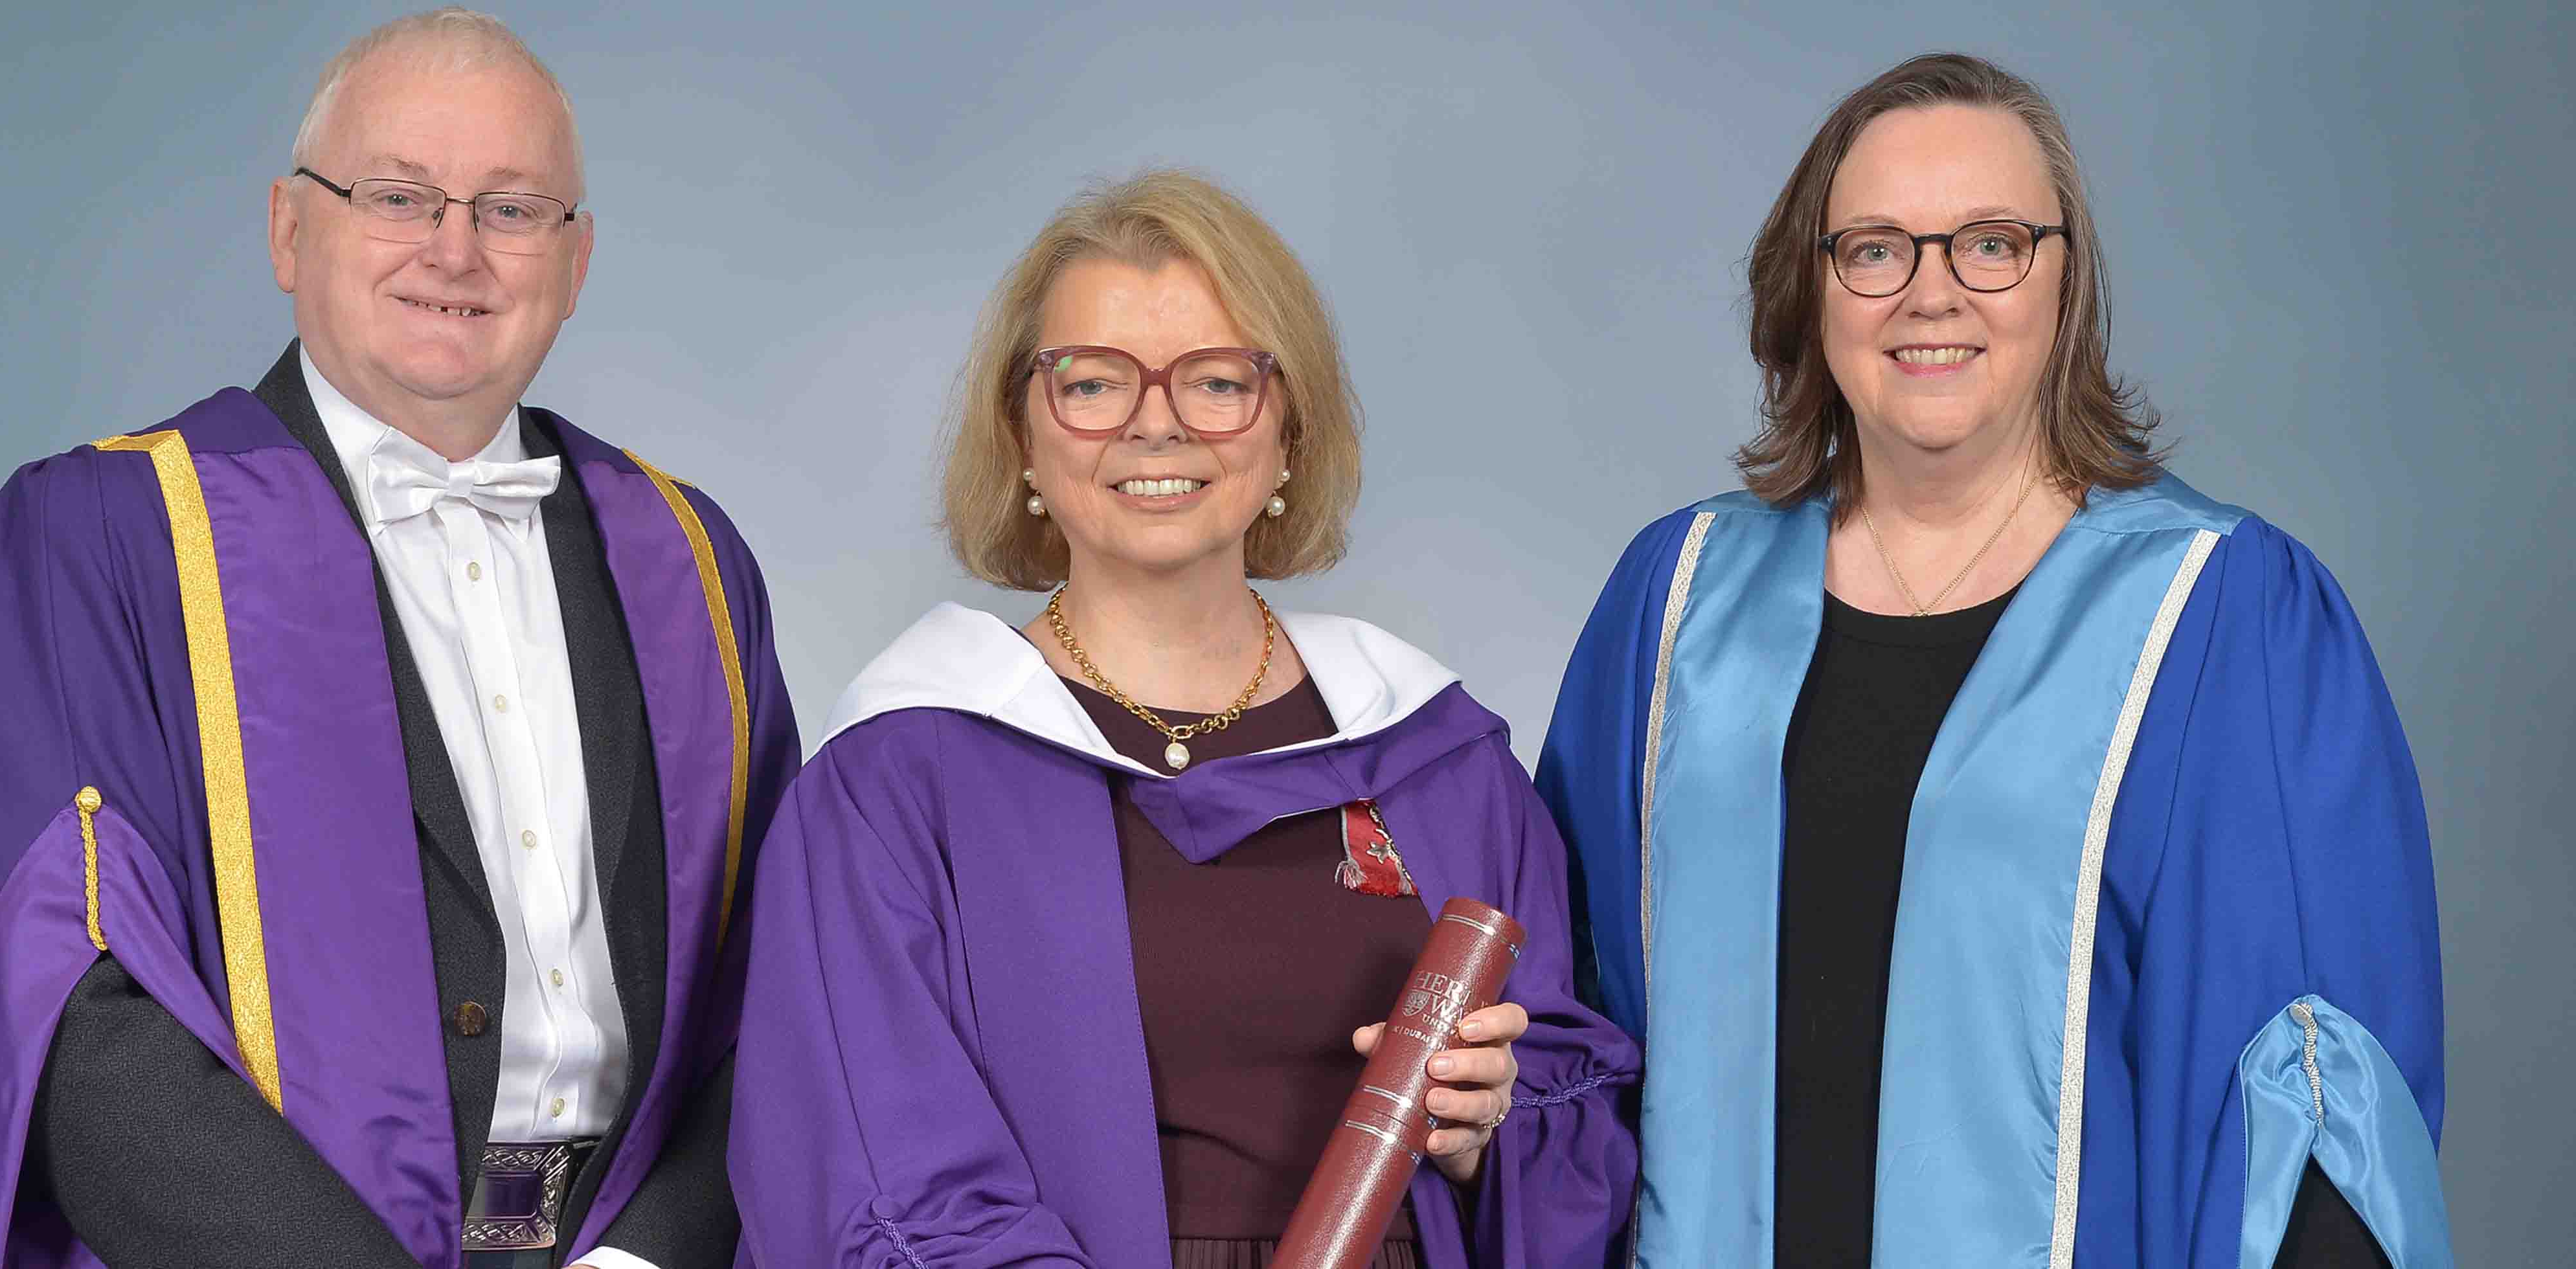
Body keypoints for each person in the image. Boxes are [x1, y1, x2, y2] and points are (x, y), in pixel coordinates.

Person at [0, 10, 797, 1267]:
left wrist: (645, 1255)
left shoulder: (689, 558)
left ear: (577, 257)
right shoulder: (95, 538)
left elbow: (784, 979)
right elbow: (66, 995)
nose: (456, 248)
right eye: (398, 194)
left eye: (512, 207)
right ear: (288, 228)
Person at [1539, 52, 2451, 1266]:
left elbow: (2310, 1089)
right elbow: (1564, 1019)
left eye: (1990, 242)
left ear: (2063, 280)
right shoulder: (1678, 600)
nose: (1931, 295)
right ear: (1810, 289)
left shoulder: (2223, 613)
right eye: (1874, 248)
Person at [730, 170, 1637, 1268]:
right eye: (1094, 382)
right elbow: (874, 1162)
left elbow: (1566, 1102)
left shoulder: (1434, 760)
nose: (1155, 426)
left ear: (1288, 430)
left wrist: (1487, 1125)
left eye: (1215, 382)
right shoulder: (902, 775)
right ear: (1021, 431)